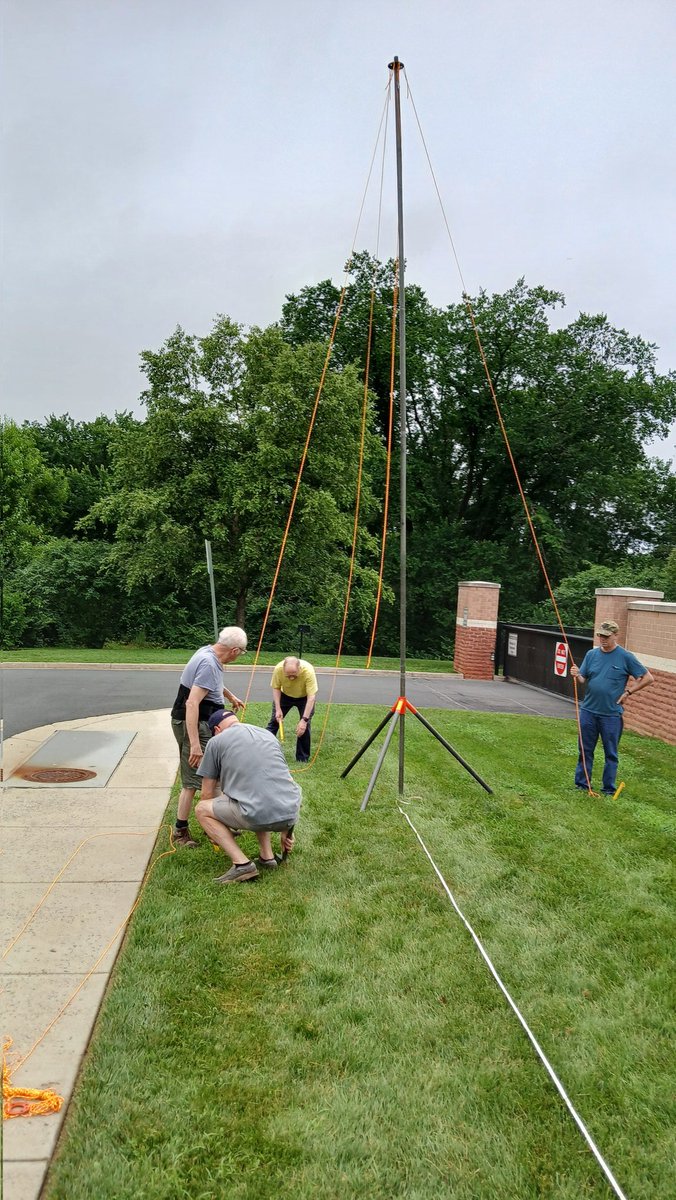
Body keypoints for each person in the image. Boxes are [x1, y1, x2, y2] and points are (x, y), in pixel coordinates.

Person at [195, 709, 301, 884]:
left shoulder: (216, 741)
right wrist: (286, 830)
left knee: (202, 809)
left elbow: (206, 794)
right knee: (256, 793)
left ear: (217, 730)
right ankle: (267, 858)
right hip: (290, 813)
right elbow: (286, 783)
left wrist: (214, 830)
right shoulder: (268, 735)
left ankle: (242, 865)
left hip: (258, 813)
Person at [170, 626, 247, 847]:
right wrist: (194, 743)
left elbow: (211, 682)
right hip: (194, 724)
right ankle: (180, 831)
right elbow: (192, 703)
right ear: (234, 650)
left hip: (202, 722)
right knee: (196, 779)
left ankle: (216, 822)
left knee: (213, 775)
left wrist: (229, 695)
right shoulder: (209, 663)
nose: (240, 656)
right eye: (241, 652)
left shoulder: (208, 653)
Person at [571, 620, 654, 795]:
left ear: (616, 635)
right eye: (601, 635)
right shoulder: (591, 655)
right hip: (588, 711)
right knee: (585, 750)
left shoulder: (625, 657)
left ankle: (608, 789)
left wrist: (628, 692)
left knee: (611, 753)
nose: (603, 639)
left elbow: (647, 678)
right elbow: (582, 679)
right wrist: (576, 673)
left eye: (607, 636)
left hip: (611, 715)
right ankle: (582, 784)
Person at [266, 656, 318, 762]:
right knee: (274, 722)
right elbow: (276, 688)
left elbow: (311, 697)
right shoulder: (278, 669)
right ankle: (262, 749)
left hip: (304, 698)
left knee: (304, 726)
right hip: (285, 695)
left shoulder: (308, 671)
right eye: (288, 675)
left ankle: (302, 758)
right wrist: (278, 708)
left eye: (294, 675)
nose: (291, 678)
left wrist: (304, 720)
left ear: (299, 668)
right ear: (283, 669)